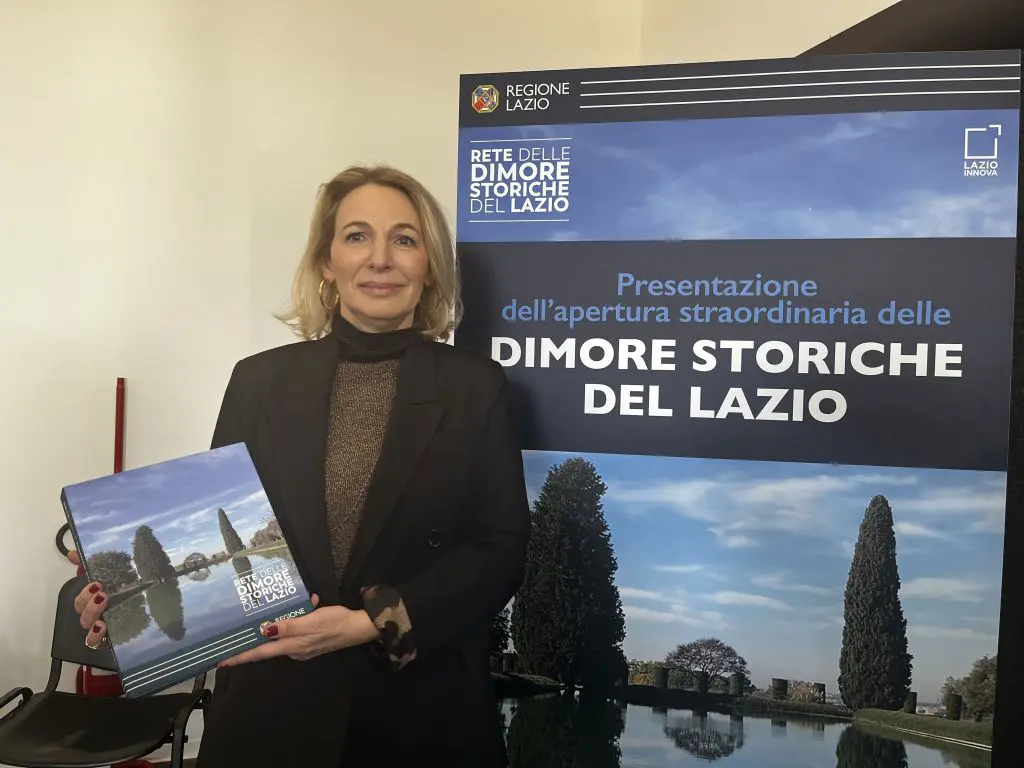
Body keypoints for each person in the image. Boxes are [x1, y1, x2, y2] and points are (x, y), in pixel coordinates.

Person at [67, 164, 531, 766]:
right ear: (326, 263)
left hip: (419, 712)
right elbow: (217, 533)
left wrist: (370, 622)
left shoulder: (477, 388)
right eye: (357, 236)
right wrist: (122, 597)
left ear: (430, 266)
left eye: (405, 239)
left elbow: (499, 554)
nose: (380, 258)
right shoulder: (257, 381)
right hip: (272, 711)